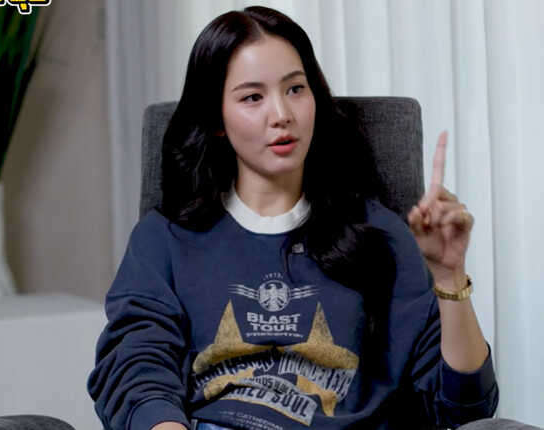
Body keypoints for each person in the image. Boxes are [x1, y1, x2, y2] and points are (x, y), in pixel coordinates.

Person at [88, 6, 501, 430]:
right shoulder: (165, 238)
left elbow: (465, 408)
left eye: (295, 89)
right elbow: (136, 370)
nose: (281, 114)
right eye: (253, 97)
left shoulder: (381, 235)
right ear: (216, 119)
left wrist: (450, 277)